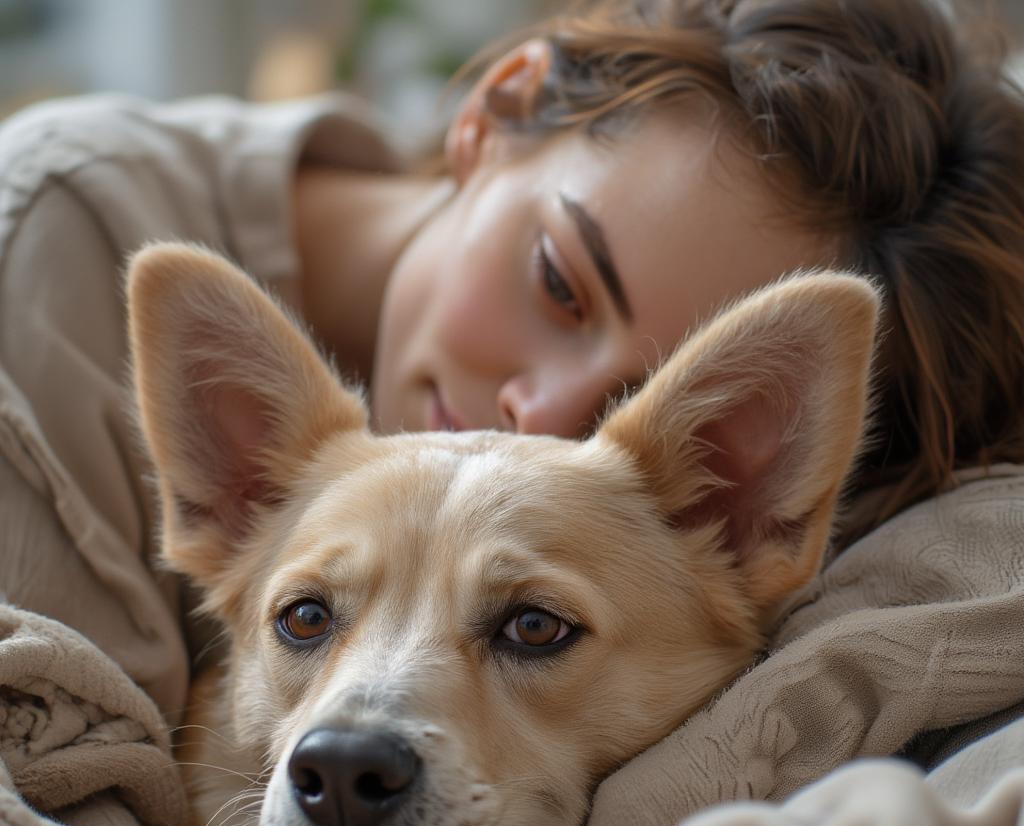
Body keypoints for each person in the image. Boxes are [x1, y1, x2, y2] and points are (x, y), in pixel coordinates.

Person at [0, 0, 1022, 733]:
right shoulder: (51, 240)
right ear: (497, 107)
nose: (536, 414)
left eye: (640, 402)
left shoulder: (672, 563)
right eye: (560, 283)